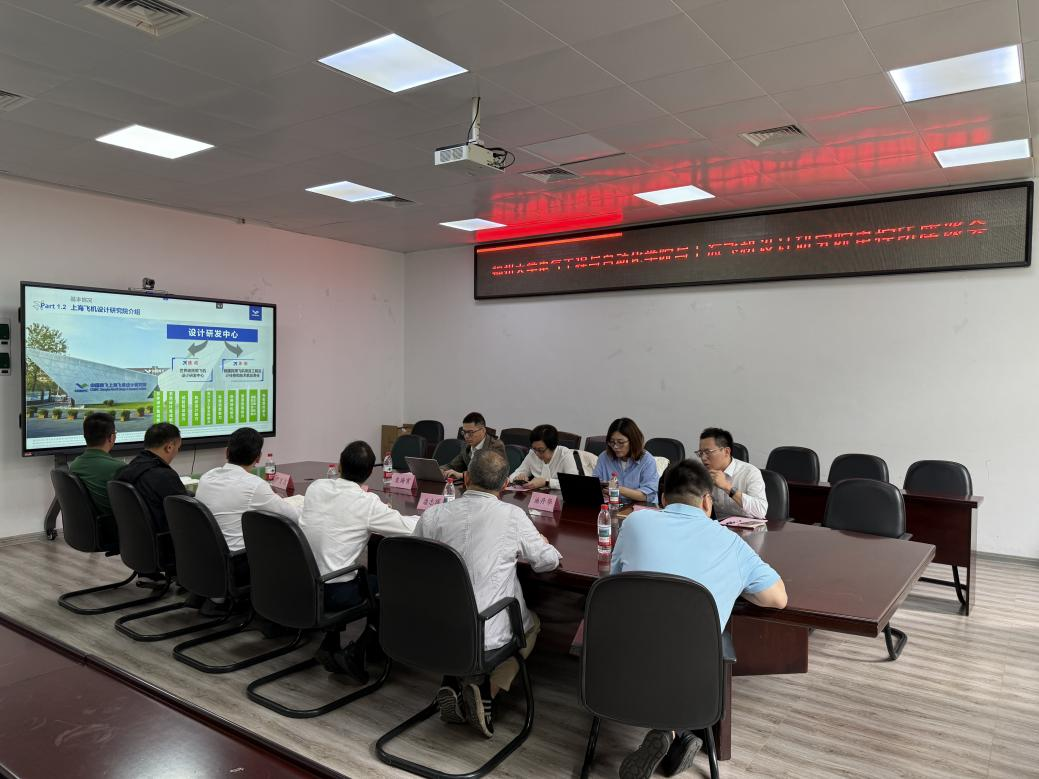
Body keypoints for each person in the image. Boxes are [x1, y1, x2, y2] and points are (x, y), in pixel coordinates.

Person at [611, 459, 787, 778]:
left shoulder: (634, 523)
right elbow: (777, 598)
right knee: (692, 640)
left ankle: (673, 734)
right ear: (707, 501)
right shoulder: (731, 543)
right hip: (694, 669)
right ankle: (677, 732)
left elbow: (615, 577)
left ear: (662, 498)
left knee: (661, 631)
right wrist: (735, 581)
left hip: (625, 656)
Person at [416, 449, 561, 738]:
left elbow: (414, 559)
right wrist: (544, 543)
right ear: (505, 484)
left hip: (437, 626)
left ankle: (453, 680)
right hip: (486, 631)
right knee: (531, 624)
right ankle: (485, 692)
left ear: (466, 478)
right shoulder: (512, 516)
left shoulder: (433, 515)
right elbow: (546, 562)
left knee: (462, 612)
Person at [300, 440, 419, 681]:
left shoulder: (316, 487)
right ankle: (360, 651)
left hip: (304, 581)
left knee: (339, 561)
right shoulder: (366, 502)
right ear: (369, 473)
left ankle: (330, 644)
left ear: (339, 465)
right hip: (335, 592)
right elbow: (409, 529)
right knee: (390, 587)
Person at [195, 427, 301, 555]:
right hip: (239, 558)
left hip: (208, 554)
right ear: (258, 458)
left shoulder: (206, 477)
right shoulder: (254, 485)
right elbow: (292, 517)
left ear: (227, 452)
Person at [116, 422, 187, 532]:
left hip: (136, 536)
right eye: (178, 448)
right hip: (164, 538)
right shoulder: (165, 476)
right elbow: (186, 514)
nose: (177, 452)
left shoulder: (125, 470)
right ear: (169, 447)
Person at [698, 427, 768, 520]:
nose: (703, 458)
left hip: (747, 527)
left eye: (708, 452)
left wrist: (727, 487)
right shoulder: (701, 473)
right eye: (700, 453)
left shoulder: (750, 472)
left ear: (726, 451)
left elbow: (761, 511)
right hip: (716, 526)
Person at [68, 411, 123, 522]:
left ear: (85, 436)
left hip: (92, 527)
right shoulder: (119, 468)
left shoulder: (74, 465)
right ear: (112, 438)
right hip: (116, 526)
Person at [592, 418, 659, 504]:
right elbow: (595, 484)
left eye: (621, 442)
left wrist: (618, 489)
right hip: (611, 506)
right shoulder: (604, 457)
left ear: (633, 441)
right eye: (612, 442)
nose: (615, 447)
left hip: (639, 508)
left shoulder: (647, 460)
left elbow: (648, 496)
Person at [508, 424, 580, 489]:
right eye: (534, 449)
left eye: (541, 450)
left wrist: (547, 482)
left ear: (553, 446)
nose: (537, 453)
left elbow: (573, 483)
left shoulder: (564, 454)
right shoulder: (532, 453)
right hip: (536, 496)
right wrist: (518, 478)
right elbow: (513, 475)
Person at [441, 411, 507, 480]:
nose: (466, 436)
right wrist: (441, 470)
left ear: (483, 431)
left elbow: (491, 474)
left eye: (470, 432)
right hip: (469, 485)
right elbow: (453, 465)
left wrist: (462, 475)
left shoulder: (495, 446)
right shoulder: (466, 446)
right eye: (464, 432)